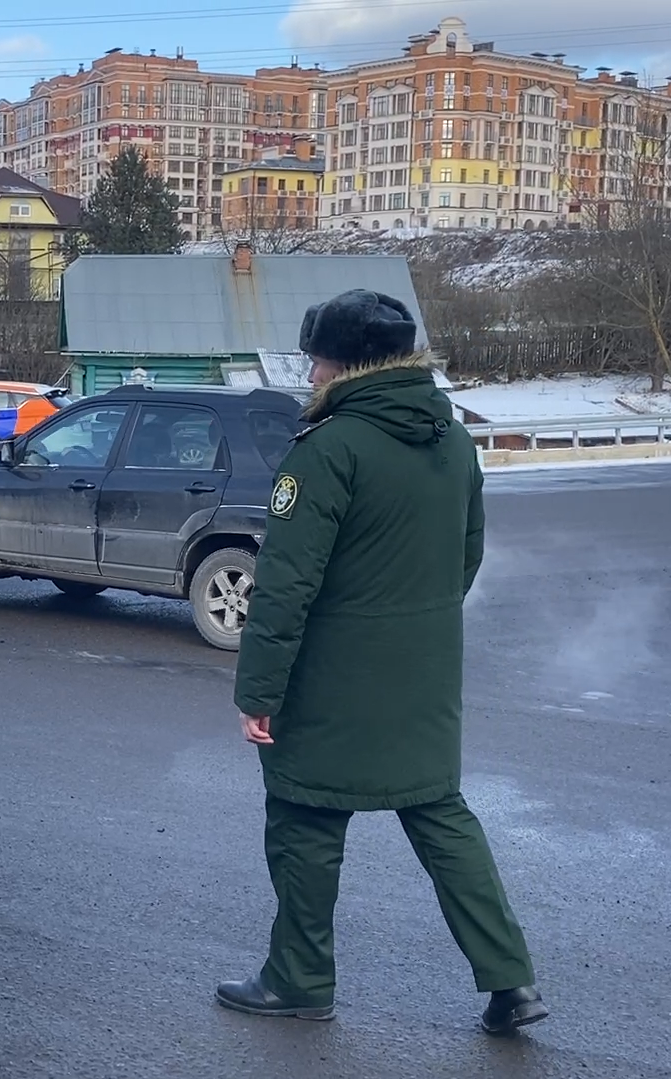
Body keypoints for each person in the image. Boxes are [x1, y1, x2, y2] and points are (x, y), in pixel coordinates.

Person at [215, 289, 548, 1035]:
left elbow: (286, 585)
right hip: (426, 676)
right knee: (440, 814)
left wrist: (259, 690)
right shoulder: (454, 440)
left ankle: (298, 978)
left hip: (332, 679)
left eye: (317, 358)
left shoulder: (330, 450)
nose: (309, 371)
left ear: (345, 364)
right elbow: (466, 558)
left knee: (304, 815)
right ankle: (511, 981)